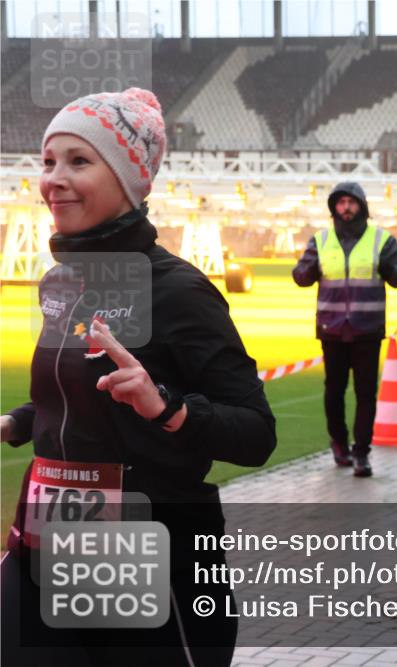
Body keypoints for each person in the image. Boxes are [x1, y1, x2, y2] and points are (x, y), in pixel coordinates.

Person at [1, 88, 276, 666]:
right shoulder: (60, 284)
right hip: (40, 555)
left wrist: (167, 407)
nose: (54, 178)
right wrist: (17, 421)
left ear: (131, 181)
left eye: (80, 161)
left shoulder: (180, 291)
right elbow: (73, 397)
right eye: (48, 161)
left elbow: (255, 432)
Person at [293, 181, 397, 477]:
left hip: (366, 329)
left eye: (351, 202)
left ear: (362, 206)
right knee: (333, 391)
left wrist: (392, 269)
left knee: (365, 393)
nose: (346, 208)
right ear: (334, 207)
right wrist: (303, 271)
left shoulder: (381, 240)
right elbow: (301, 276)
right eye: (341, 203)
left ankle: (362, 453)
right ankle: (339, 443)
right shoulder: (320, 240)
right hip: (331, 329)